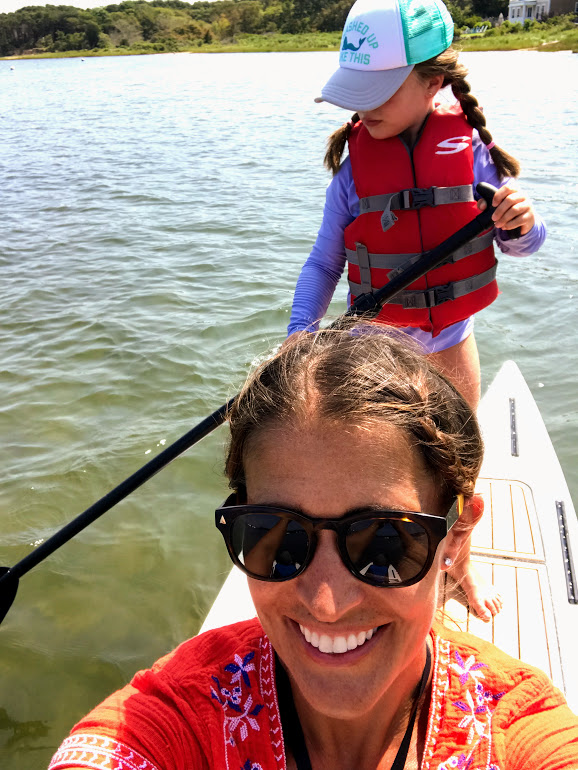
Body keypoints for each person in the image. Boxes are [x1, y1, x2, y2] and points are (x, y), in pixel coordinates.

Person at [49, 327, 578, 770]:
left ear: (456, 535)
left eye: (387, 543)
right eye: (278, 536)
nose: (327, 602)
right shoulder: (184, 714)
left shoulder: (517, 728)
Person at [288, 0, 546, 411]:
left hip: (452, 343)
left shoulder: (475, 153)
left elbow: (523, 244)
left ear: (432, 82)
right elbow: (323, 262)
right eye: (357, 91)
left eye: (379, 92)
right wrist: (300, 331)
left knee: (460, 460)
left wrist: (523, 224)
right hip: (375, 354)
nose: (364, 105)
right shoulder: (352, 174)